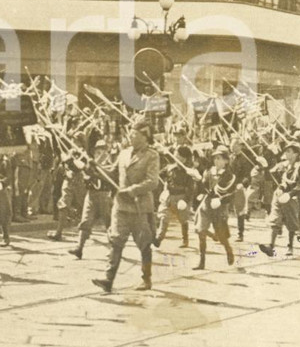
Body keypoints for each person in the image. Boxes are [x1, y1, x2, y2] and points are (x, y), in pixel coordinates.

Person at [92, 121, 160, 293]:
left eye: (135, 134)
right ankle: (108, 279)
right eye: (130, 133)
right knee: (116, 241)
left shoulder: (152, 155)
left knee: (144, 244)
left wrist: (132, 190)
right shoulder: (123, 153)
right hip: (121, 207)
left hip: (139, 208)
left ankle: (147, 279)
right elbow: (112, 172)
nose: (130, 136)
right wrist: (96, 168)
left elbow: (153, 181)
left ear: (145, 137)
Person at [259, 142, 300, 258]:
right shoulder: (284, 166)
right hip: (281, 195)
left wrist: (290, 194)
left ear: (296, 154)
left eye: (289, 151)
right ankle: (271, 246)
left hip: (293, 197)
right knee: (275, 219)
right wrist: (266, 167)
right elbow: (275, 177)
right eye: (285, 151)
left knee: (291, 222)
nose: (286, 153)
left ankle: (290, 246)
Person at [69, 140, 114, 260]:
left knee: (109, 223)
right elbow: (81, 170)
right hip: (91, 195)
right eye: (97, 151)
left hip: (104, 196)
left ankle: (113, 249)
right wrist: (73, 158)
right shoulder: (90, 163)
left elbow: (105, 174)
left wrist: (94, 166)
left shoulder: (110, 165)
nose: (99, 153)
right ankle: (79, 248)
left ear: (107, 152)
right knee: (85, 221)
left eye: (102, 150)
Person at [192, 147, 236, 271]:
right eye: (215, 158)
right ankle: (202, 262)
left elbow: (230, 192)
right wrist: (199, 182)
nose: (216, 161)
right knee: (201, 231)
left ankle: (228, 249)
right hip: (206, 204)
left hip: (219, 206)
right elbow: (205, 186)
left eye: (219, 158)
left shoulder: (229, 176)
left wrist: (220, 200)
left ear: (226, 161)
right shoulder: (208, 172)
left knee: (222, 236)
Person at [154, 145, 201, 249]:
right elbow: (159, 174)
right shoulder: (170, 167)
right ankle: (159, 237)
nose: (175, 155)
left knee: (183, 220)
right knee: (164, 216)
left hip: (182, 197)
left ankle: (185, 239)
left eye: (177, 154)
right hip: (170, 196)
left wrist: (185, 200)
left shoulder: (189, 171)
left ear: (183, 158)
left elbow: (191, 188)